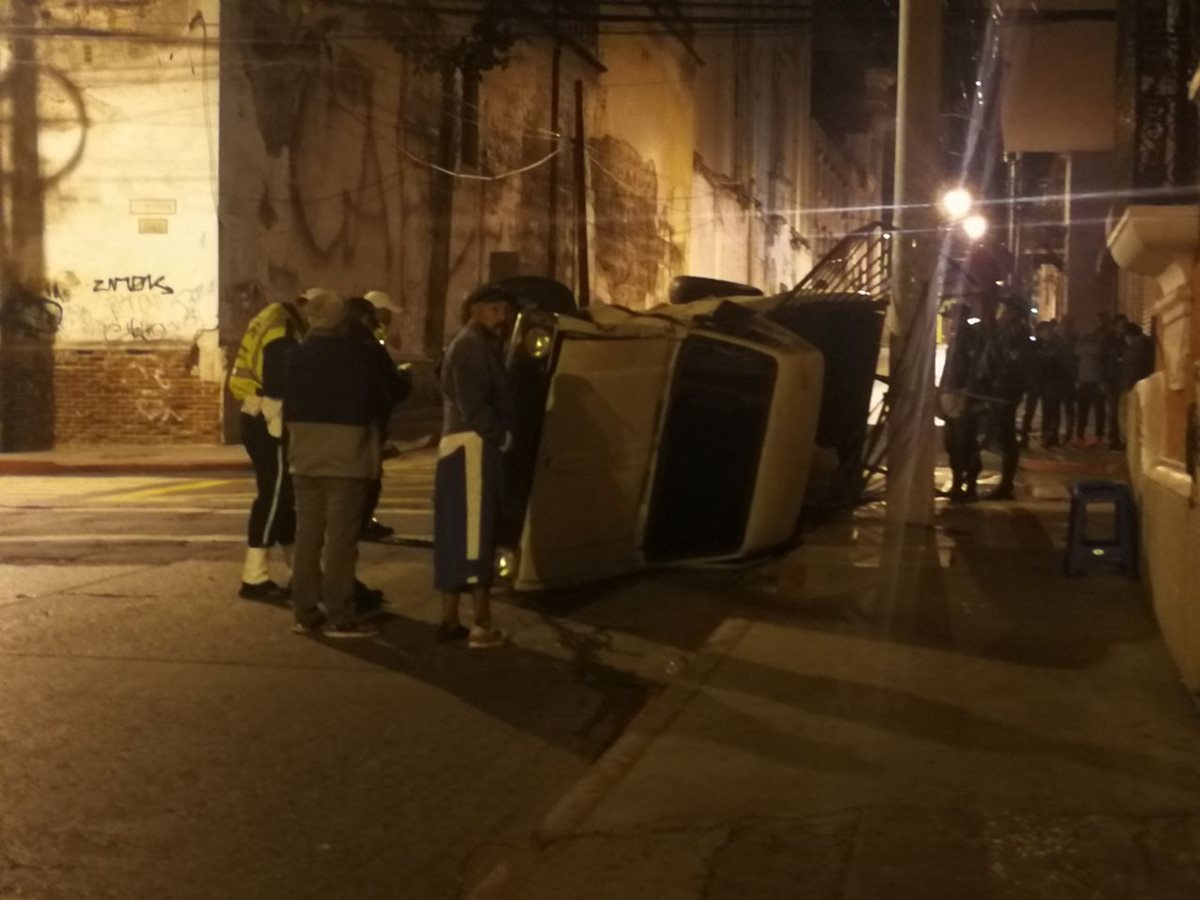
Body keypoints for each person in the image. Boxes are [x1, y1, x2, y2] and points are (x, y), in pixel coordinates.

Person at [284, 290, 395, 638]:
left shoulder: (295, 356)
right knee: (341, 542)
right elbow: (383, 394)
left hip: (304, 455)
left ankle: (303, 611)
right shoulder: (357, 357)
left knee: (308, 537)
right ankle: (339, 614)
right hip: (347, 455)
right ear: (341, 320)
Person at [434, 283, 518, 649]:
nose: (503, 319)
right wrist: (501, 437)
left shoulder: (473, 344)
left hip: (464, 447)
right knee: (475, 535)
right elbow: (474, 405)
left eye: (505, 312)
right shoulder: (471, 347)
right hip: (472, 447)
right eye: (496, 311)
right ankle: (481, 623)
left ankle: (449, 618)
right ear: (476, 309)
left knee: (458, 533)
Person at [228, 289, 312, 600]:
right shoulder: (284, 328)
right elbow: (278, 379)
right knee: (275, 496)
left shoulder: (272, 317)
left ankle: (299, 572)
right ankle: (254, 577)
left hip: (255, 414)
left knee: (282, 494)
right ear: (303, 307)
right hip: (269, 417)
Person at [345, 297, 411, 542]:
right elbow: (387, 382)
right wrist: (404, 380)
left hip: (341, 425)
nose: (384, 320)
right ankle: (360, 523)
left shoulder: (330, 340)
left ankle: (357, 522)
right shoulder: (366, 343)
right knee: (367, 477)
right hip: (366, 422)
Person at [978, 296, 1031, 500]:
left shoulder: (1016, 333)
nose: (1001, 310)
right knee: (999, 435)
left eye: (1005, 307)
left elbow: (1010, 364)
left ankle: (1006, 486)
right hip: (997, 391)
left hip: (1003, 393)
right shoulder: (1005, 331)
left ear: (1014, 312)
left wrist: (998, 385)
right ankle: (1004, 485)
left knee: (1006, 438)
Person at [939, 305, 984, 502]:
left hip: (962, 396)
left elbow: (973, 369)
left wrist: (968, 392)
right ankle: (959, 482)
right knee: (953, 442)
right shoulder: (958, 338)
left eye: (953, 317)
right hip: (952, 394)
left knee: (964, 441)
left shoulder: (970, 339)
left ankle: (968, 484)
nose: (950, 321)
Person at [1074, 321, 1107, 446]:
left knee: (1087, 410)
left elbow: (1076, 360)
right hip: (1090, 381)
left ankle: (1082, 435)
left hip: (1089, 381)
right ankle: (1094, 435)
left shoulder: (1082, 347)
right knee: (1094, 410)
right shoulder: (1099, 348)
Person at [1102, 313, 1129, 449]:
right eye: (1120, 325)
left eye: (1124, 325)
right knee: (1113, 410)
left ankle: (1121, 438)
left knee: (1123, 410)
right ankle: (1113, 438)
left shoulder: (1126, 340)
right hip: (1111, 378)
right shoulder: (1109, 340)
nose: (1122, 328)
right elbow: (1103, 360)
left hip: (1124, 379)